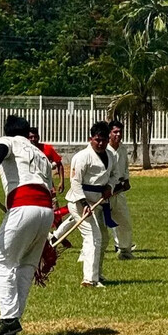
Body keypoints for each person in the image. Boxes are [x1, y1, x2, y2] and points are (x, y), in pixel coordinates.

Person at [0, 115, 54, 335]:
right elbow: (50, 187)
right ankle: (13, 318)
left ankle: (8, 318)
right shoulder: (40, 153)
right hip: (45, 210)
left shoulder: (9, 141)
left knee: (0, 261)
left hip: (24, 205)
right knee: (26, 265)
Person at [63, 121, 118, 288]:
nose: (100, 143)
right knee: (93, 237)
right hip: (79, 201)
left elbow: (114, 175)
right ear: (90, 139)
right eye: (97, 140)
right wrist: (83, 202)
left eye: (103, 140)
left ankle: (97, 274)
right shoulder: (81, 157)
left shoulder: (110, 156)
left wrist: (110, 186)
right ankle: (89, 280)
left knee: (104, 237)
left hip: (99, 201)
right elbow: (75, 182)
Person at [107, 119, 135, 260]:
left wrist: (126, 181)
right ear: (109, 133)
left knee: (124, 222)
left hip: (118, 192)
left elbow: (124, 169)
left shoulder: (122, 149)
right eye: (115, 132)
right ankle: (85, 252)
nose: (118, 134)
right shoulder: (104, 150)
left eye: (120, 132)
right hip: (104, 193)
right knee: (97, 226)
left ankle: (124, 250)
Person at [28, 127, 65, 194]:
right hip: (30, 185)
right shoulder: (24, 151)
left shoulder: (47, 148)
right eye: (31, 137)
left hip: (48, 185)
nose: (33, 139)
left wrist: (61, 182)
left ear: (38, 137)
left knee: (53, 203)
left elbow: (59, 164)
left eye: (35, 137)